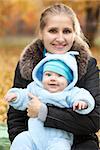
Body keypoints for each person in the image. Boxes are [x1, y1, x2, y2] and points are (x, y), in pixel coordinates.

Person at [7, 3, 100, 150]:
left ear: (74, 33)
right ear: (42, 33)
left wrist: (44, 112)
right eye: (53, 31)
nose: (60, 38)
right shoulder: (28, 65)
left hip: (79, 142)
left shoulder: (87, 65)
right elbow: (16, 119)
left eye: (67, 31)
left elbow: (93, 120)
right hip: (34, 138)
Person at [5, 52, 95, 150]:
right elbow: (24, 95)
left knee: (61, 147)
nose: (53, 79)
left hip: (59, 139)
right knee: (21, 139)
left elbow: (83, 96)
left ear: (69, 80)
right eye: (48, 75)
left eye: (59, 75)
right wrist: (15, 96)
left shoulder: (70, 93)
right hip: (33, 135)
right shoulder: (36, 89)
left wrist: (82, 102)